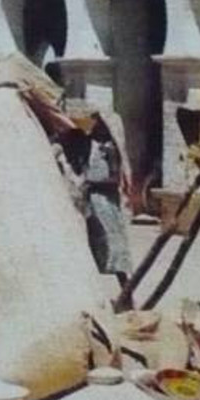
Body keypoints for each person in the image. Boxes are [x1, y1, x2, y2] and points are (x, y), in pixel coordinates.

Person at [83, 116, 133, 286]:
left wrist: (92, 182)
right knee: (94, 244)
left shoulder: (110, 149)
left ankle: (125, 290)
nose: (97, 127)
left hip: (106, 199)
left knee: (113, 242)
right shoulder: (89, 143)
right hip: (90, 198)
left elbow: (114, 177)